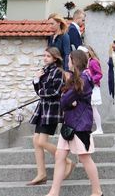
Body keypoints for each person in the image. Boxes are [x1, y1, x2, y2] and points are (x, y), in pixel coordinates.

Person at [45, 50, 102, 196]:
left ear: (74, 61)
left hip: (80, 124)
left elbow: (64, 100)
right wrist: (70, 102)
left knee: (84, 157)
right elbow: (66, 99)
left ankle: (97, 192)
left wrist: (69, 102)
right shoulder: (77, 78)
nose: (67, 62)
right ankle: (54, 192)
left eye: (69, 59)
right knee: (60, 156)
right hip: (70, 123)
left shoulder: (83, 78)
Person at [28, 47, 69, 186]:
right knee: (36, 140)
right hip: (43, 109)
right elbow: (39, 91)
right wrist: (36, 80)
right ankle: (41, 173)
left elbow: (56, 91)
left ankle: (67, 161)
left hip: (52, 110)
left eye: (48, 56)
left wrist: (40, 89)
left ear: (55, 58)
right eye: (44, 55)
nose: (45, 58)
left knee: (41, 141)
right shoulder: (44, 71)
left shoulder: (58, 72)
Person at [81, 45, 103, 135]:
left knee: (93, 108)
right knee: (89, 108)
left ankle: (99, 128)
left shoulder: (93, 62)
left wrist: (91, 80)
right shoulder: (86, 63)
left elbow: (99, 74)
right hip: (88, 87)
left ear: (88, 53)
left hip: (93, 87)